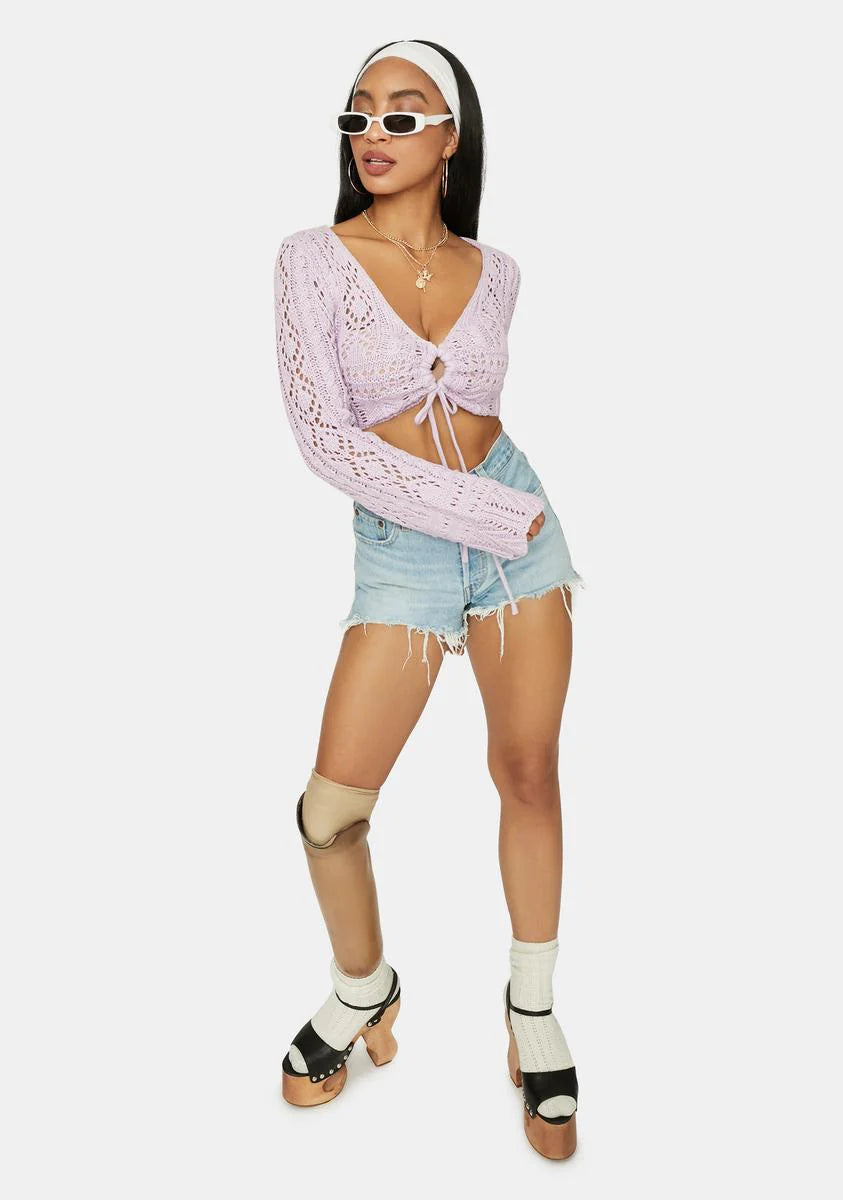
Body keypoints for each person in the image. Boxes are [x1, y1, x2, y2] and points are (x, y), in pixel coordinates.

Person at [273, 38, 584, 1160]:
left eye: (403, 115)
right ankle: (364, 986)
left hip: (518, 540)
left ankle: (531, 1011)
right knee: (330, 811)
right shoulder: (311, 259)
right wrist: (484, 518)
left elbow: (480, 416)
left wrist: (505, 520)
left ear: (451, 137)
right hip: (412, 549)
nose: (374, 133)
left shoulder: (498, 271)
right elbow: (327, 440)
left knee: (527, 771)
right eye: (358, 114)